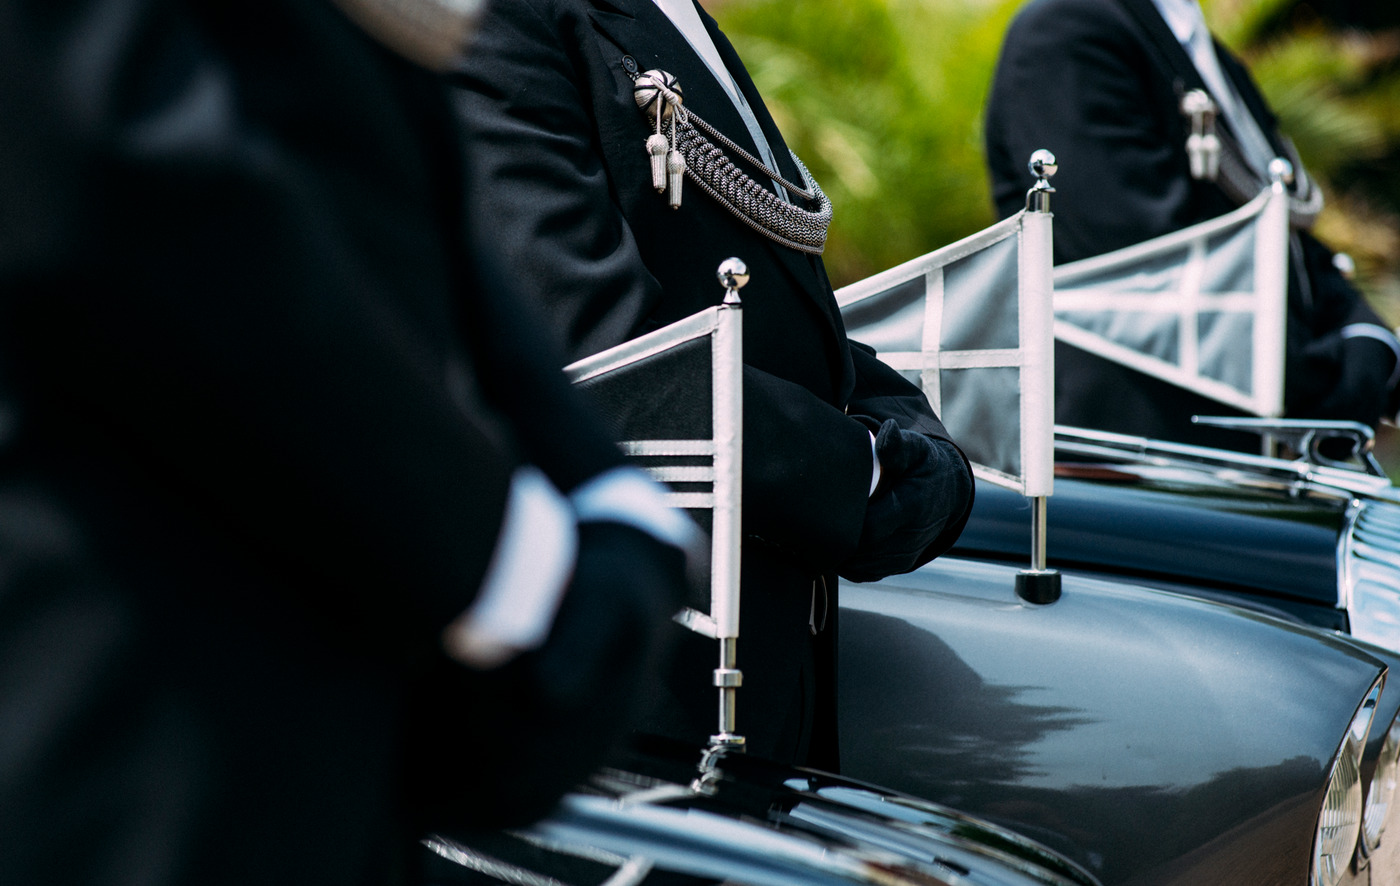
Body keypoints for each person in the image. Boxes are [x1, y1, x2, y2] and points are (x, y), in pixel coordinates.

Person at [0, 0, 696, 883]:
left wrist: (599, 489)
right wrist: (507, 563)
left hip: (337, 732)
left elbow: (389, 171)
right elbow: (115, 168)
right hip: (135, 730)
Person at [449, 0, 975, 769]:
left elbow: (764, 315)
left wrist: (898, 428)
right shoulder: (505, 18)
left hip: (759, 667)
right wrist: (860, 475)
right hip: (644, 695)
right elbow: (607, 360)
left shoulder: (665, 14)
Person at [984, 0, 1400, 450]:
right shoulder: (1066, 30)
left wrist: (1370, 338)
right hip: (1132, 451)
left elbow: (1282, 228)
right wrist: (1331, 378)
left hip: (1228, 442)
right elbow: (1149, 258)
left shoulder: (1195, 45)